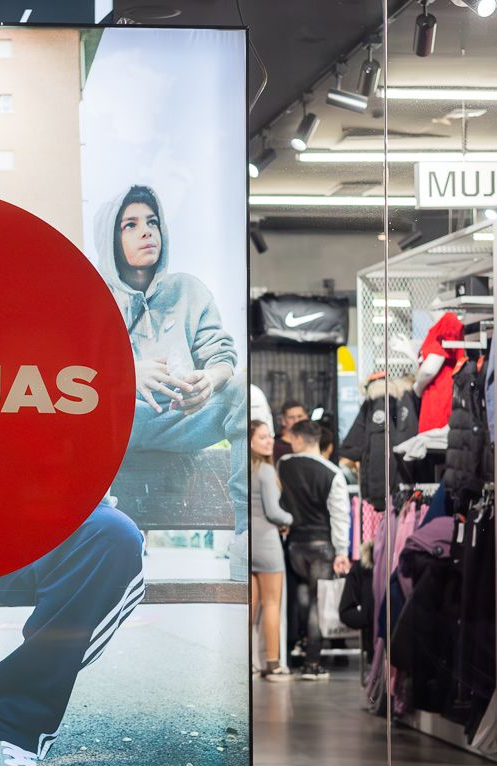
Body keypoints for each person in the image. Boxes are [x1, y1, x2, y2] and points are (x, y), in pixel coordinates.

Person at [92, 184, 248, 576]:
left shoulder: (188, 290)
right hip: (111, 426)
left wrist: (209, 381)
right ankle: (97, 536)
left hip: (176, 418)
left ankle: (245, 537)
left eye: (153, 222)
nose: (147, 232)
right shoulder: (90, 292)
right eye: (130, 225)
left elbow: (223, 355)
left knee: (244, 391)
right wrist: (125, 374)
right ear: (111, 237)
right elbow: (67, 378)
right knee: (80, 406)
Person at [278, 419, 352, 680]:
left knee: (299, 599)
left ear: (298, 439)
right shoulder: (333, 474)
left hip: (294, 544)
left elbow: (281, 502)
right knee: (316, 604)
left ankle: (292, 653)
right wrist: (342, 551)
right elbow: (339, 516)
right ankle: (312, 663)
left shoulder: (283, 465)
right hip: (322, 546)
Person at [250, 420, 293, 680]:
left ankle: (250, 663)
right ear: (252, 441)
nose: (269, 441)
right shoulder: (266, 472)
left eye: (270, 437)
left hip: (250, 544)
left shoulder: (249, 470)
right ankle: (273, 664)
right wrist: (291, 520)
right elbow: (274, 512)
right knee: (273, 604)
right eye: (263, 437)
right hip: (267, 543)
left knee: (251, 608)